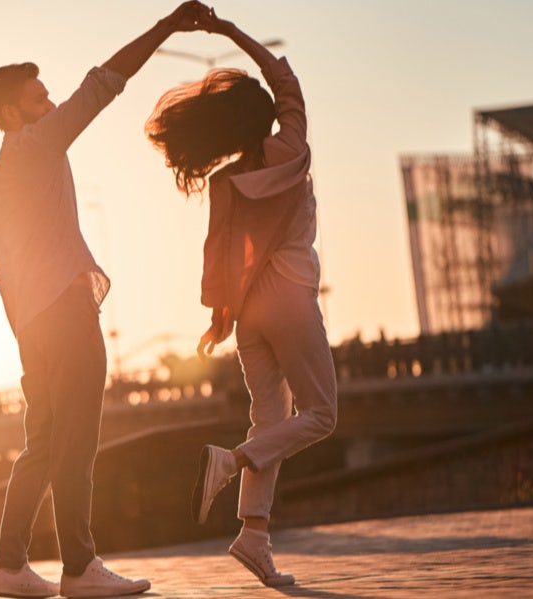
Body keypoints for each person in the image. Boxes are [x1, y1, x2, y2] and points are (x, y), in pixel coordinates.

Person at [0, 3, 208, 597]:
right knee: (76, 445)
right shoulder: (36, 145)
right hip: (64, 314)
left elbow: (0, 268)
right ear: (11, 114)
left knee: (43, 446)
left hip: (33, 324)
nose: (51, 106)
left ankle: (9, 567)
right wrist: (165, 27)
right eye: (38, 100)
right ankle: (80, 569)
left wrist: (24, 331)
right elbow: (103, 84)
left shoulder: (1, 174)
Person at [145, 7, 337, 588]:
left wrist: (218, 314)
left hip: (248, 307)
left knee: (269, 419)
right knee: (322, 415)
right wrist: (230, 31)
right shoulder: (290, 150)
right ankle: (229, 462)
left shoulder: (227, 181)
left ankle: (254, 536)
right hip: (289, 294)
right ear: (265, 120)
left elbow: (218, 251)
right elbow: (286, 82)